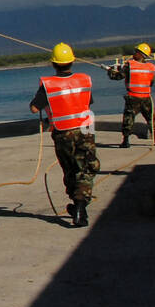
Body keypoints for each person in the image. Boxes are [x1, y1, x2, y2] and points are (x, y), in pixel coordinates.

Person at [29, 43, 100, 228]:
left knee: (70, 170)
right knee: (87, 168)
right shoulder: (85, 80)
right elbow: (88, 103)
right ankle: (80, 206)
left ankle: (78, 205)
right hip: (85, 131)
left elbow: (34, 108)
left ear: (53, 64)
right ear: (72, 61)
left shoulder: (48, 85)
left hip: (62, 134)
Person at [108, 43, 155, 147]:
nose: (133, 54)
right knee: (151, 118)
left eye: (136, 52)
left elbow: (118, 76)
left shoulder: (130, 65)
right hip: (146, 97)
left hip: (133, 97)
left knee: (129, 118)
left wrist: (110, 72)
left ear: (141, 54)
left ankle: (126, 141)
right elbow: (152, 83)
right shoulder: (151, 67)